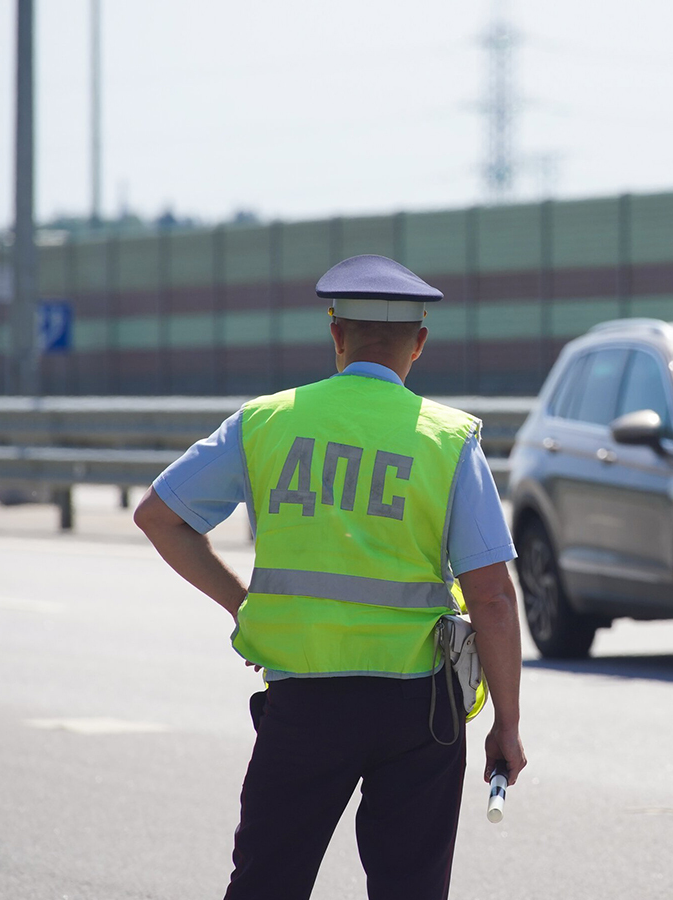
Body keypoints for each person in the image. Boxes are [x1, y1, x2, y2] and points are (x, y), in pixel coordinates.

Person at [133, 254, 526, 900]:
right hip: (418, 711)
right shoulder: (448, 439)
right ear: (419, 344)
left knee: (266, 885)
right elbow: (492, 595)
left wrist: (244, 606)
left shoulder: (266, 421)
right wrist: (505, 725)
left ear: (336, 335)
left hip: (304, 706)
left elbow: (158, 516)